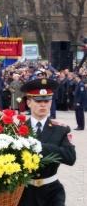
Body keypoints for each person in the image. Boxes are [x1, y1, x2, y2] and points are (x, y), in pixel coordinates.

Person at [18, 78, 76, 206]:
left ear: (51, 103)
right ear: (29, 103)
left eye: (46, 101)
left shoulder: (61, 129)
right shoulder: (17, 130)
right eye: (38, 101)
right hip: (24, 193)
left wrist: (39, 147)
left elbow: (70, 157)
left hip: (52, 192)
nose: (43, 104)